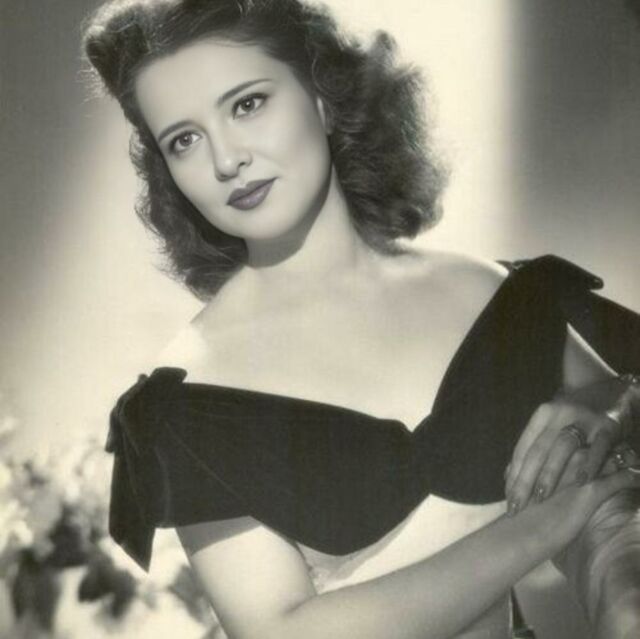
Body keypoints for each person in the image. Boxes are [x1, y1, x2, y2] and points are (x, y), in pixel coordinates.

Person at [83, 1, 640, 637]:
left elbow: (612, 462)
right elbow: (280, 633)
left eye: (247, 105)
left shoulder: (487, 292)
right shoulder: (186, 402)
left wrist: (614, 411)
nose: (225, 160)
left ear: (323, 98)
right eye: (184, 140)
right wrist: (538, 529)